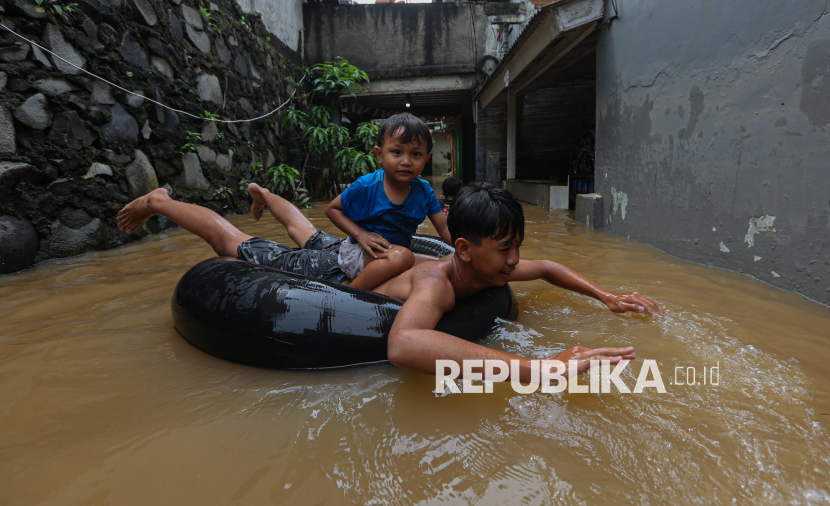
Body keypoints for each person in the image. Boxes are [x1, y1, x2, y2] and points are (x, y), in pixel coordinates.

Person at [117, 181, 663, 382]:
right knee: (229, 241)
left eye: (516, 246)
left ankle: (265, 195)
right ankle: (159, 202)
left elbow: (545, 268)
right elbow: (403, 345)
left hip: (354, 263)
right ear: (464, 251)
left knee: (306, 232)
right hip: (329, 281)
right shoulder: (437, 285)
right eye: (505, 250)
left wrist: (606, 296)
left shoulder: (488, 266)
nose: (515, 260)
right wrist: (538, 368)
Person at [326, 113, 452, 290]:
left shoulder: (424, 191)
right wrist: (361, 234)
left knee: (446, 264)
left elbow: (444, 228)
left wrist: (464, 250)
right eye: (397, 152)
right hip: (359, 253)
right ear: (379, 155)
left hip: (395, 254)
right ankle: (350, 294)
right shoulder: (367, 185)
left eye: (416, 154)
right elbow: (332, 209)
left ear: (425, 160)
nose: (406, 161)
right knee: (403, 257)